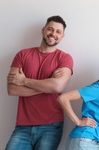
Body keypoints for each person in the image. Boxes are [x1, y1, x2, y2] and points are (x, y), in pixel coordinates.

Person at [6, 15, 74, 150]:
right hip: (23, 125)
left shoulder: (65, 58)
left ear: (62, 36)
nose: (53, 34)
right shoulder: (22, 55)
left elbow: (57, 86)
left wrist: (24, 81)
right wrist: (48, 85)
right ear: (43, 30)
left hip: (51, 126)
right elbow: (12, 90)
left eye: (58, 32)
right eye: (50, 29)